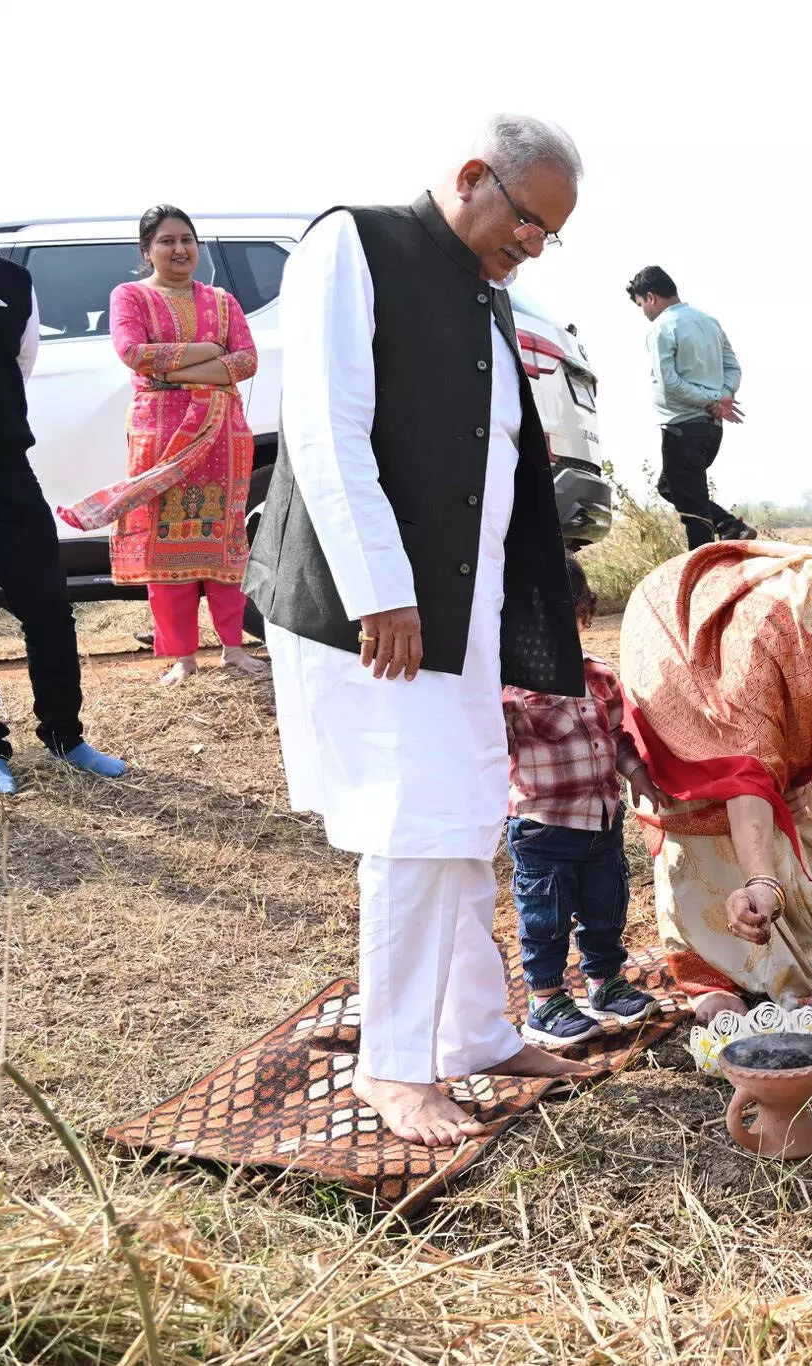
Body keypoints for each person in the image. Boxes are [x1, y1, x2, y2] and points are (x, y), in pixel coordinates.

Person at [244, 114, 596, 1148]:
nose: (532, 247)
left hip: (458, 612)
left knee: (466, 810)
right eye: (528, 221)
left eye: (547, 237)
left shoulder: (481, 297)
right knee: (409, 825)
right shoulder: (354, 244)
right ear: (473, 176)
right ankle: (395, 1069)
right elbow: (323, 424)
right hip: (376, 613)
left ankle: (474, 1031)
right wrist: (379, 591)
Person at [619, 540, 812, 1023]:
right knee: (717, 828)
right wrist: (762, 880)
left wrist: (808, 769)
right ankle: (716, 974)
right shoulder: (762, 635)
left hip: (777, 690)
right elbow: (745, 773)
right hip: (687, 666)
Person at [58, 207, 265, 686]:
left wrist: (172, 370)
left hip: (221, 431)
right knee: (162, 539)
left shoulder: (222, 300)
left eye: (187, 240)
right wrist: (211, 353)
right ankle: (182, 655)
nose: (180, 250)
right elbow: (133, 353)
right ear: (146, 249)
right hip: (161, 431)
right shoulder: (129, 296)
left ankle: (233, 647)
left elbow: (248, 360)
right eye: (167, 241)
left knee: (224, 535)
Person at [503, 554, 660, 1048]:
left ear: (583, 616)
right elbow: (486, 747)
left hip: (601, 824)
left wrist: (638, 775)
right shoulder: (507, 688)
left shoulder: (600, 677)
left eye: (567, 620)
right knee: (544, 918)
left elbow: (616, 740)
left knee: (606, 906)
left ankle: (605, 981)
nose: (553, 633)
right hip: (543, 827)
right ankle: (545, 1001)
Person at [0, 258, 127, 794]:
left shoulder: (12, 281)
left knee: (48, 603)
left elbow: (20, 364)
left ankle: (64, 736)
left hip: (7, 468)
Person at [624, 267, 755, 550]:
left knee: (693, 513)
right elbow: (732, 367)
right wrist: (722, 396)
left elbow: (670, 382)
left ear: (651, 297)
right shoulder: (709, 322)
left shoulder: (660, 328)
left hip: (681, 427)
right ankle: (730, 525)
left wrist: (713, 401)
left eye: (641, 305)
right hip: (711, 430)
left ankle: (702, 571)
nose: (644, 312)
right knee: (672, 488)